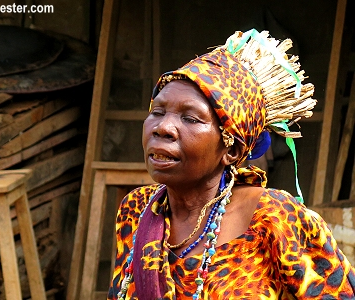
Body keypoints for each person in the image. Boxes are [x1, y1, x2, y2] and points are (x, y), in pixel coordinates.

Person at [107, 29, 355, 299]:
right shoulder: (139, 210)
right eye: (157, 111)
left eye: (190, 119)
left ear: (233, 150)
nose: (163, 127)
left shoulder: (274, 217)